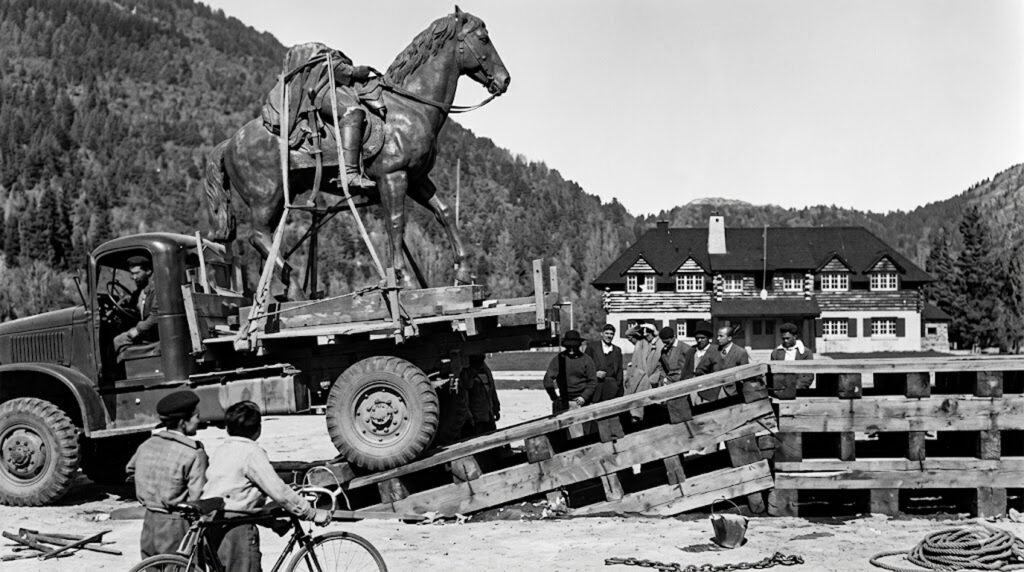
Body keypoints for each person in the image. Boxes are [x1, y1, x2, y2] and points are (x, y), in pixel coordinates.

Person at [202, 401, 331, 571]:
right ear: (258, 429)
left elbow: (237, 493)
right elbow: (279, 491)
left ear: (228, 429)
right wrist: (310, 512)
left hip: (212, 526)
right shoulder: (251, 453)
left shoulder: (222, 450)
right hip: (236, 531)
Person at [261, 42, 385, 189]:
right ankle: (349, 173)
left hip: (325, 88)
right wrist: (354, 71)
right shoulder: (318, 55)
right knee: (352, 113)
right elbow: (332, 67)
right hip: (317, 93)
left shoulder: (324, 54)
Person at [126, 390, 208, 559]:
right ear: (183, 422)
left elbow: (131, 470)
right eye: (196, 416)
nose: (199, 420)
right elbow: (198, 496)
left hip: (150, 523)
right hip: (177, 526)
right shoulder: (193, 452)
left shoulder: (147, 445)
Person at [113, 255, 158, 355]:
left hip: (154, 333)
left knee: (118, 340)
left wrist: (138, 330)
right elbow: (134, 303)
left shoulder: (156, 288)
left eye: (137, 273)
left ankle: (121, 370)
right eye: (132, 274)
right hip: (148, 330)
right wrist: (124, 302)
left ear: (148, 271)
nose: (134, 277)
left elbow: (156, 316)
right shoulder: (142, 289)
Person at [543, 330, 598, 413]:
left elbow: (592, 381)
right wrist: (554, 397)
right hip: (563, 401)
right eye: (569, 347)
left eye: (574, 347)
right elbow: (547, 380)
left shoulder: (586, 360)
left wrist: (584, 396)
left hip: (581, 401)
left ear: (578, 345)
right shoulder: (559, 359)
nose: (571, 350)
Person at [622, 323, 663, 420]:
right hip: (637, 378)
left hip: (650, 380)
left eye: (648, 334)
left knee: (648, 408)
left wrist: (654, 378)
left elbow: (661, 365)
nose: (646, 336)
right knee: (634, 406)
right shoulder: (641, 342)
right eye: (644, 333)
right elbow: (628, 334)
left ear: (653, 333)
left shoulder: (659, 345)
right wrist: (639, 327)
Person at [584, 324, 624, 403]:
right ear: (602, 334)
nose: (609, 336)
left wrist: (618, 386)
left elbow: (619, 370)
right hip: (596, 387)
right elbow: (584, 366)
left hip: (612, 388)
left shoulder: (617, 350)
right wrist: (594, 373)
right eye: (607, 333)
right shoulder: (592, 347)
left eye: (611, 334)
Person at [463, 354, 500, 435]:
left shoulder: (486, 370)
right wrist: (469, 416)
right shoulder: (467, 373)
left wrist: (496, 407)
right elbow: (464, 396)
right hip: (476, 418)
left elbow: (492, 390)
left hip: (488, 414)